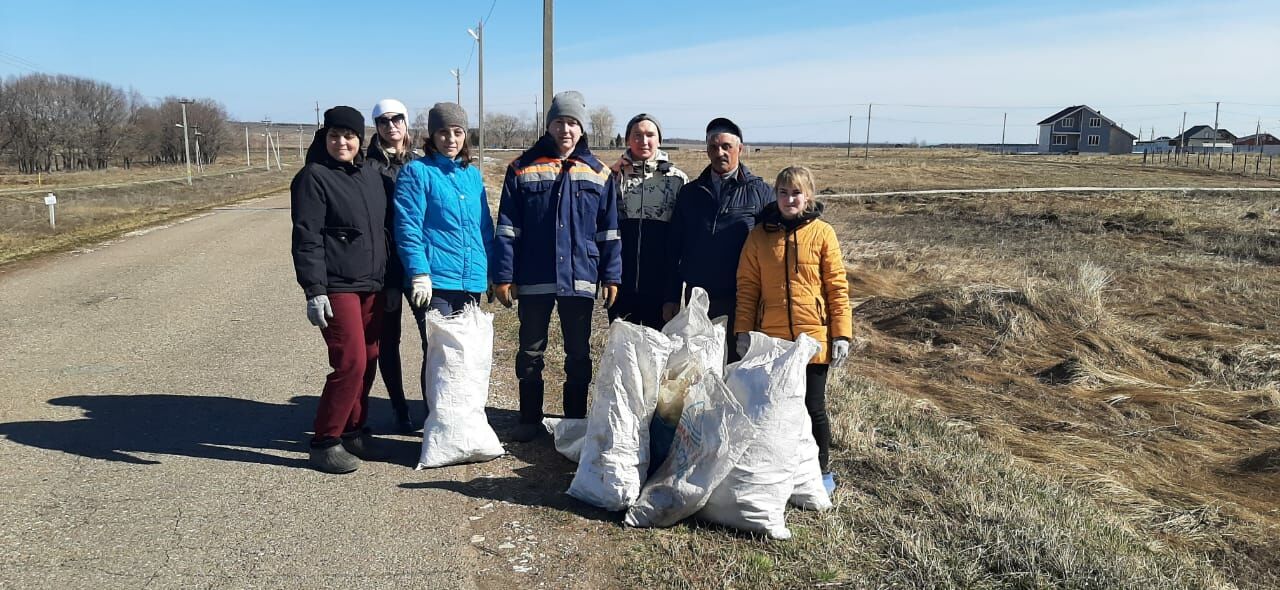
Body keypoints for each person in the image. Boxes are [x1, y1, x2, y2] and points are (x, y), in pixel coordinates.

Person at [491, 90, 621, 442]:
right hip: (534, 276)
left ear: (582, 129)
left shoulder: (599, 173)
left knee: (578, 352)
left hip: (580, 277)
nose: (566, 129)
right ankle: (529, 419)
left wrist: (611, 275)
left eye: (573, 123)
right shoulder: (521, 167)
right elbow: (507, 227)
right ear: (548, 125)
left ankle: (574, 422)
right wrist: (503, 275)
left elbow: (609, 232)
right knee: (531, 349)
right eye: (560, 121)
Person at [734, 165, 852, 494]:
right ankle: (777, 470)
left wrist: (841, 334)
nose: (789, 199)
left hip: (813, 340)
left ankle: (820, 471)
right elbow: (747, 287)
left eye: (796, 193)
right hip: (773, 341)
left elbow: (837, 288)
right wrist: (744, 331)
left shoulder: (822, 233)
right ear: (776, 196)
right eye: (783, 193)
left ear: (808, 196)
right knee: (773, 407)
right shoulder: (759, 236)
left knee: (813, 407)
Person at [290, 106, 391, 474]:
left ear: (360, 140)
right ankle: (325, 440)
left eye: (349, 136)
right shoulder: (313, 177)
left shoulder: (370, 175)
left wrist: (389, 280)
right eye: (334, 136)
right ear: (325, 138)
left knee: (369, 356)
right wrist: (314, 289)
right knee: (350, 361)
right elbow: (306, 238)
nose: (342, 142)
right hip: (336, 285)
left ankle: (354, 430)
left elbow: (383, 230)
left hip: (372, 284)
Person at [393, 101, 493, 397]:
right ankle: (437, 423)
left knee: (466, 352)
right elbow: (408, 226)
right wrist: (419, 272)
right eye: (443, 132)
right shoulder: (417, 173)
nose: (451, 139)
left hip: (470, 280)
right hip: (436, 281)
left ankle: (462, 419)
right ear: (432, 136)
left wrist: (488, 271)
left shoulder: (472, 176)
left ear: (466, 135)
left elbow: (484, 227)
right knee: (440, 353)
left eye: (457, 132)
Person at [663, 117, 772, 362]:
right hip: (698, 301)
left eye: (726, 146)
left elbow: (775, 247)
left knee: (735, 370)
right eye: (713, 147)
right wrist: (671, 296)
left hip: (742, 302)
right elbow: (674, 248)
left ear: (740, 149)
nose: (719, 152)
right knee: (698, 370)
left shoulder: (760, 193)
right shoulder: (691, 193)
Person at [367, 98, 421, 433]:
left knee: (434, 340)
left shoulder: (421, 163)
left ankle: (434, 408)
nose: (391, 126)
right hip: (384, 267)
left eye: (396, 119)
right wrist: (387, 279)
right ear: (376, 127)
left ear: (406, 121)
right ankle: (400, 409)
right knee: (389, 341)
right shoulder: (366, 167)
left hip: (417, 265)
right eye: (383, 121)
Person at [608, 113, 688, 330]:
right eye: (637, 135)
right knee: (622, 355)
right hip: (621, 285)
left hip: (660, 289)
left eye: (650, 135)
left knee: (657, 355)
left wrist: (672, 293)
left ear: (659, 140)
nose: (643, 141)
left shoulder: (677, 180)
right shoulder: (613, 177)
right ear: (627, 140)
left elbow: (680, 242)